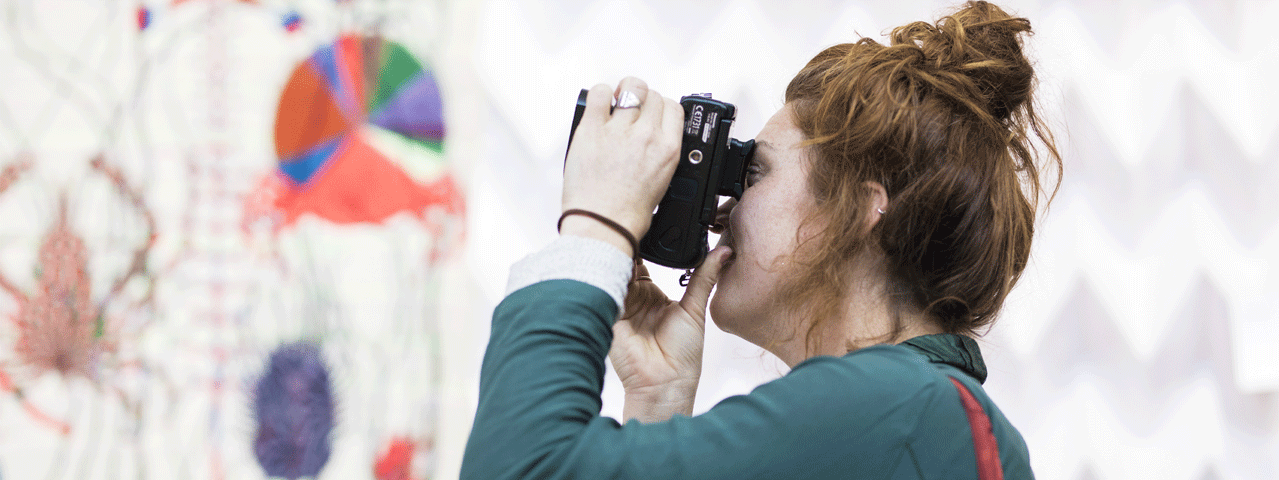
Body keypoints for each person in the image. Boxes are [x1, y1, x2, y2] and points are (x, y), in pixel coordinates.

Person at [462, 1, 1060, 478]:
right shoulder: (911, 420)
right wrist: (658, 405)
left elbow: (519, 467)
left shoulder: (901, 406)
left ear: (859, 210)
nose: (721, 213)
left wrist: (595, 228)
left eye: (754, 174)